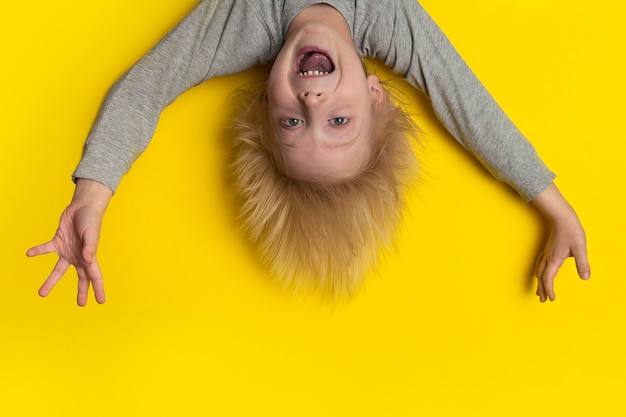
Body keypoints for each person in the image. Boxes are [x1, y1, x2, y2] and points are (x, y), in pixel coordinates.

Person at [26, 0, 590, 306]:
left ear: (266, 98)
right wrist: (557, 208)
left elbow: (147, 89)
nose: (313, 99)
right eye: (339, 121)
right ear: (376, 97)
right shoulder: (387, 16)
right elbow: (469, 107)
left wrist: (91, 195)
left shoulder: (242, 22)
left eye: (293, 121)